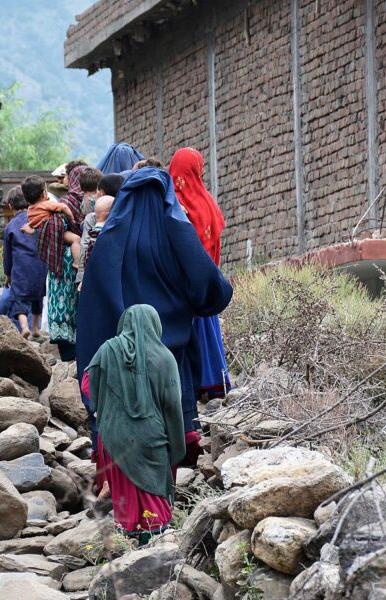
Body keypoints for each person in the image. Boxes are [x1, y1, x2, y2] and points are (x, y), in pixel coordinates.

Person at [76, 167, 232, 463]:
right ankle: (168, 477)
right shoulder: (177, 235)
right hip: (171, 348)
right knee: (172, 401)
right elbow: (208, 286)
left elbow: (93, 303)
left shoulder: (110, 240)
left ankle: (124, 476)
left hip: (127, 350)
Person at [82, 304, 185, 543]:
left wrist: (107, 404)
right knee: (153, 491)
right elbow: (172, 405)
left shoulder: (108, 349)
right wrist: (176, 446)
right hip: (151, 436)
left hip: (113, 435)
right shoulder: (164, 357)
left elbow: (87, 384)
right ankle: (156, 539)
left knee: (126, 493)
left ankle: (129, 539)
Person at [169, 148, 232, 411]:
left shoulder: (173, 205)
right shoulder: (208, 203)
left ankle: (189, 387)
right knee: (207, 328)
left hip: (180, 286)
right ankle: (213, 382)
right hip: (207, 284)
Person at [40, 166, 87, 361]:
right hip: (85, 260)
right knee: (78, 306)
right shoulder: (95, 201)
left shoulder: (66, 202)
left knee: (64, 305)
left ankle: (68, 356)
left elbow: (55, 229)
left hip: (64, 263)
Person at [3, 184, 49, 339]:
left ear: (10, 205)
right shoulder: (39, 219)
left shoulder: (11, 225)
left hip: (21, 268)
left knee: (18, 299)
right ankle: (35, 328)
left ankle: (24, 327)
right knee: (38, 298)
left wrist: (8, 274)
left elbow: (7, 254)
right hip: (41, 266)